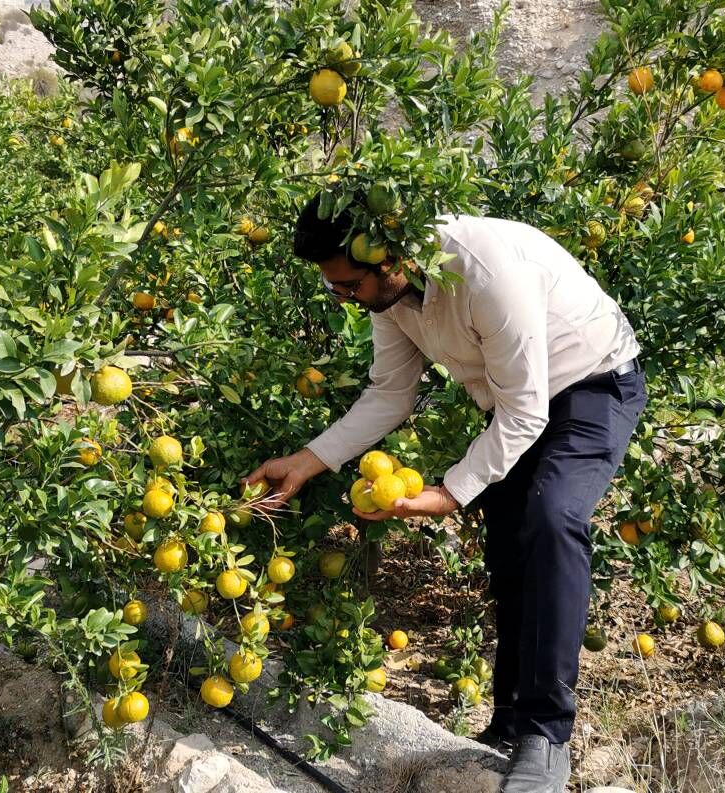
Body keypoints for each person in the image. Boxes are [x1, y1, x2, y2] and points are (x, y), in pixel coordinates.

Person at [243, 194, 648, 793]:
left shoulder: (485, 273)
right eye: (335, 289)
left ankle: (546, 737)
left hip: (593, 384)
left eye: (349, 285)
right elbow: (390, 394)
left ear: (391, 260)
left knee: (552, 519)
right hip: (519, 402)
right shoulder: (387, 291)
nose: (345, 299)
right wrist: (308, 462)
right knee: (510, 545)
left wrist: (450, 494)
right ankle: (510, 722)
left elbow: (525, 410)